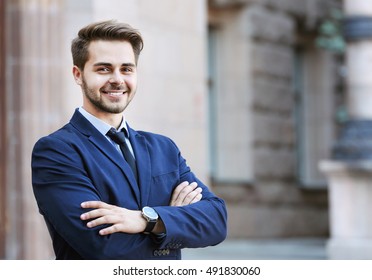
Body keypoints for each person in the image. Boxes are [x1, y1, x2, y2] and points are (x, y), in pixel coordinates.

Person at [31, 20, 227, 260]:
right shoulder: (57, 151)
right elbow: (102, 246)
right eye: (103, 69)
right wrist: (169, 222)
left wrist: (145, 219)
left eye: (126, 69)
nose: (117, 79)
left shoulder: (163, 148)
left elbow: (216, 221)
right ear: (78, 74)